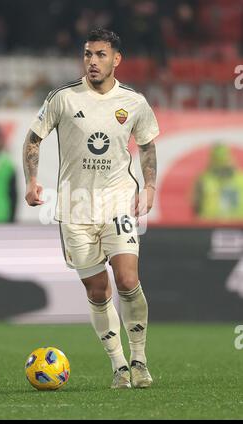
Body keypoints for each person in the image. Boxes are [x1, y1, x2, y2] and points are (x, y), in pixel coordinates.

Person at [23, 28, 159, 389]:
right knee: (98, 292)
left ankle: (140, 359)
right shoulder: (63, 98)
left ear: (116, 59)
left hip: (117, 202)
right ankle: (118, 366)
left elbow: (146, 145)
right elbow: (33, 138)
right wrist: (31, 181)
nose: (92, 61)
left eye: (100, 55)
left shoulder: (134, 102)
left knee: (128, 280)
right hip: (75, 209)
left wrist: (150, 186)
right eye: (87, 54)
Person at [193, 143, 243, 220]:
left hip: (210, 226)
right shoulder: (240, 178)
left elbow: (195, 205)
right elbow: (195, 204)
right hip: (235, 226)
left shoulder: (204, 179)